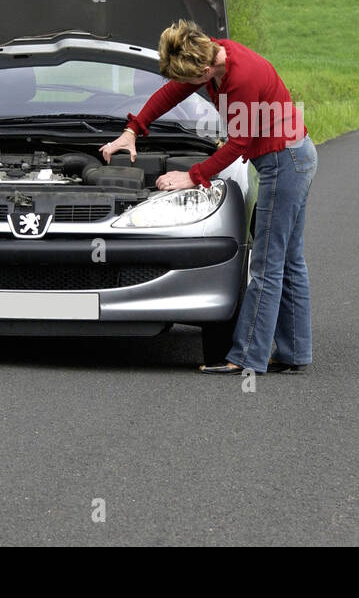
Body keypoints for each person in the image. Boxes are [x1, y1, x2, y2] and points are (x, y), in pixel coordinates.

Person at [99, 20, 317, 375]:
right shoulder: (211, 50)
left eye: (191, 79)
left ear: (204, 69)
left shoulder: (243, 76)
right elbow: (171, 92)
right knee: (288, 259)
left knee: (266, 263)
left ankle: (246, 357)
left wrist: (192, 176)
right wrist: (132, 130)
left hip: (285, 161)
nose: (188, 85)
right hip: (291, 156)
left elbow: (239, 144)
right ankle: (293, 353)